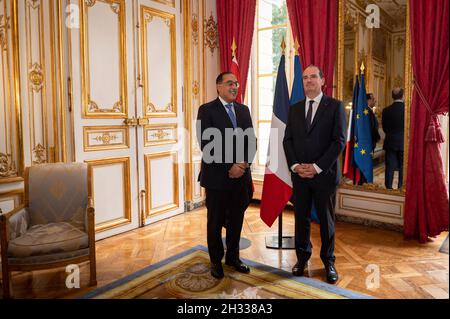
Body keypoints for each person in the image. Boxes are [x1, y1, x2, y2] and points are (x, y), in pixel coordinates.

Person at [283, 65, 346, 284]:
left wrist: (317, 167)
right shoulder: (295, 109)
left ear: (322, 80)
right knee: (301, 219)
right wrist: (295, 166)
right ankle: (302, 258)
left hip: (324, 175)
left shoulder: (335, 106)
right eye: (305, 77)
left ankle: (328, 262)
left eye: (313, 77)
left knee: (326, 221)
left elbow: (339, 141)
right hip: (300, 175)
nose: (308, 80)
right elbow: (287, 140)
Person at [196, 71, 256, 279]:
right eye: (230, 83)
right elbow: (206, 144)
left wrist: (243, 165)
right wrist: (229, 166)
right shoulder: (206, 110)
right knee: (215, 221)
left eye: (237, 84)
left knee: (236, 219)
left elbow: (251, 141)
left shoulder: (244, 110)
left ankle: (233, 257)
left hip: (241, 176)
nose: (234, 87)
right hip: (217, 177)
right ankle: (215, 261)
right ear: (218, 86)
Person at [382, 88, 405, 189]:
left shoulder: (386, 110)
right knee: (403, 167)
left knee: (390, 167)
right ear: (403, 96)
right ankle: (401, 187)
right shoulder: (407, 109)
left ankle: (388, 188)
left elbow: (384, 128)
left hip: (390, 142)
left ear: (392, 96)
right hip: (403, 143)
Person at [358, 93, 381, 185]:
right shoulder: (367, 111)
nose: (375, 101)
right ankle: (364, 181)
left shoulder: (366, 111)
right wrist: (377, 138)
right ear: (368, 100)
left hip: (366, 142)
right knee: (365, 163)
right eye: (373, 99)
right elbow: (372, 128)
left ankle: (363, 180)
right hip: (367, 143)